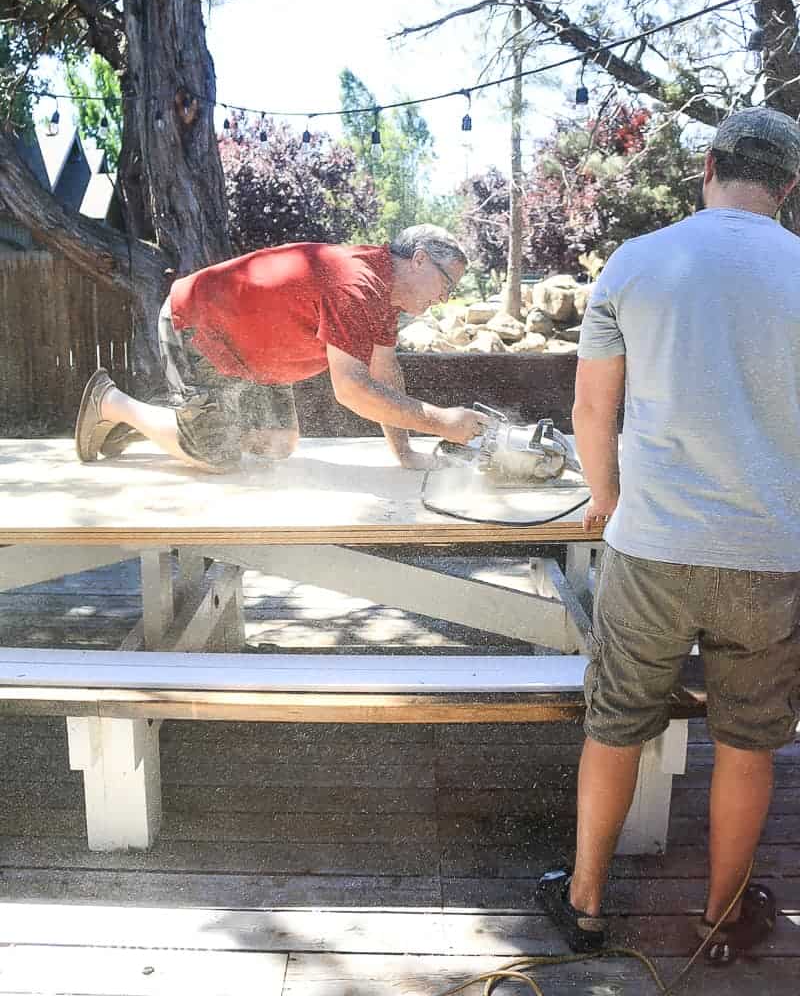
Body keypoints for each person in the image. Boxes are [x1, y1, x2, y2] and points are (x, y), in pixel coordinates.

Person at [536, 107, 800, 964]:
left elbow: (592, 408)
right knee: (749, 740)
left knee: (614, 722)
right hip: (770, 554)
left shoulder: (637, 262)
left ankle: (583, 904)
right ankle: (721, 917)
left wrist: (605, 497)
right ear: (789, 186)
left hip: (651, 545)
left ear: (710, 164)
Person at [75, 224, 487, 471]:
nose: (446, 297)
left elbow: (384, 372)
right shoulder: (358, 285)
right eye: (447, 284)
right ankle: (110, 402)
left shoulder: (383, 296)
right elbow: (352, 389)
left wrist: (404, 451)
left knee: (278, 445)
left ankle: (171, 427)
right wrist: (441, 422)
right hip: (199, 323)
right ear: (418, 260)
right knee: (215, 458)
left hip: (254, 354)